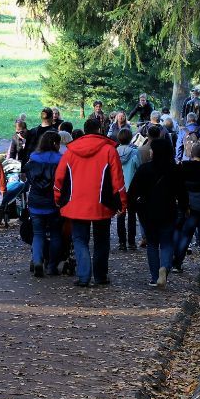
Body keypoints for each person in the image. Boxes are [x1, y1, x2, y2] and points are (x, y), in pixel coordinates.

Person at [54, 117, 127, 287]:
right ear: (100, 130)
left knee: (80, 239)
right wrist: (122, 203)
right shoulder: (109, 150)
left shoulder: (70, 152)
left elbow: (59, 178)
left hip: (76, 203)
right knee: (102, 240)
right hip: (102, 203)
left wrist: (58, 199)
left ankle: (83, 275)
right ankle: (100, 275)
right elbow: (118, 180)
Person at [128, 138, 186, 287]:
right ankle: (164, 268)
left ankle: (155, 277)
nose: (150, 151)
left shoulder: (144, 169)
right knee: (167, 243)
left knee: (152, 244)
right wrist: (184, 209)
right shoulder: (176, 170)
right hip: (169, 210)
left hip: (148, 212)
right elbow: (182, 193)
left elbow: (133, 191)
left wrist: (133, 207)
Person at [24, 131, 64, 278]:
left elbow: (28, 179)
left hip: (36, 201)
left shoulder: (33, 159)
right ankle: (52, 266)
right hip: (54, 202)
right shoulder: (61, 160)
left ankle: (37, 260)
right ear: (55, 144)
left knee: (38, 234)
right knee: (55, 234)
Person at [173, 143, 200, 270]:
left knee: (177, 228)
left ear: (191, 154)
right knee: (188, 233)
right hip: (198, 204)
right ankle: (178, 263)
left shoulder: (182, 165)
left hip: (182, 201)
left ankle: (173, 256)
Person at [115, 128, 141, 252]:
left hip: (119, 187)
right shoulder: (135, 153)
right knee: (131, 215)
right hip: (132, 187)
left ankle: (121, 243)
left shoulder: (114, 152)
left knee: (120, 214)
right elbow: (139, 169)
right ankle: (131, 242)